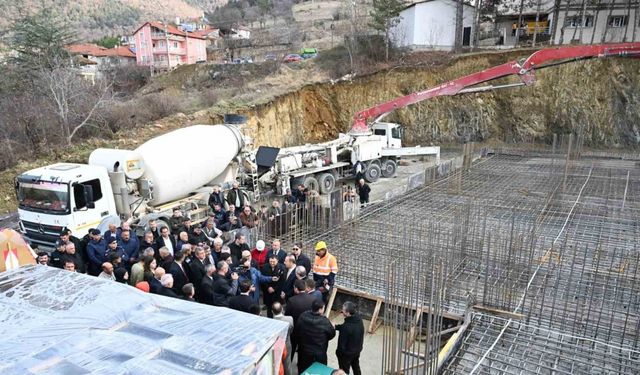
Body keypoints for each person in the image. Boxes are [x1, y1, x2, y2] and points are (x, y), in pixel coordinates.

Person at [295, 300, 336, 374]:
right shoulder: (325, 321)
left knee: (303, 370)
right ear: (320, 309)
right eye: (323, 308)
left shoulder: (303, 316)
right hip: (318, 353)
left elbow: (297, 330)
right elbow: (331, 335)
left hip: (304, 351)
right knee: (319, 371)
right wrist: (332, 328)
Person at [335, 301, 365, 375]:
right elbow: (348, 327)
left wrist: (338, 353)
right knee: (356, 366)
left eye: (343, 310)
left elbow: (341, 345)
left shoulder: (346, 327)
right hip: (357, 350)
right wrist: (336, 327)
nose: (342, 311)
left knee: (344, 370)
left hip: (347, 354)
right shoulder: (358, 319)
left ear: (348, 313)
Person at [272, 302, 294, 375]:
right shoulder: (289, 319)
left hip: (275, 345)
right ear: (282, 309)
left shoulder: (271, 322)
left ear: (272, 311)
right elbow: (291, 330)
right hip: (286, 343)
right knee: (287, 363)